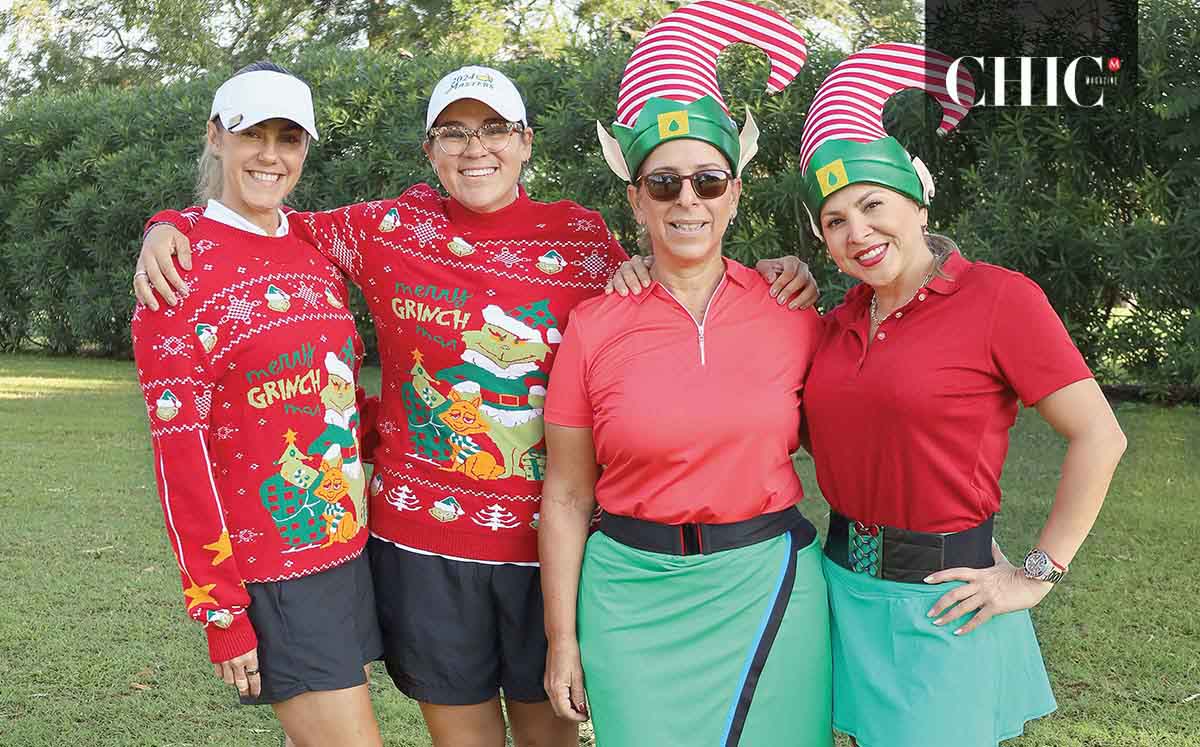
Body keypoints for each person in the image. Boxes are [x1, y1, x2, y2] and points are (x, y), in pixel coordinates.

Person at [132, 63, 820, 746]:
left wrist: (776, 273)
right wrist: (168, 224)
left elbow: (672, 283)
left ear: (525, 141)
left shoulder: (582, 243)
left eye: (494, 129)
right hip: (423, 551)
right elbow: (265, 219)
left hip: (548, 555)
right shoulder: (385, 228)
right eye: (453, 132)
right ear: (430, 151)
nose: (475, 147)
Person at [795, 44, 1127, 747]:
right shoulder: (836, 322)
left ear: (918, 201)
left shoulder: (999, 299)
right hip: (839, 589)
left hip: (944, 599)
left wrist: (1037, 573)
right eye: (834, 221)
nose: (857, 231)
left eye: (872, 204)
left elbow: (1102, 435)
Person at [539, 3, 832, 746]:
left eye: (708, 179)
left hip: (768, 585)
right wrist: (562, 637)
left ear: (735, 192)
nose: (687, 200)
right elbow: (569, 494)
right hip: (631, 598)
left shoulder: (792, 308)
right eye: (663, 184)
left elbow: (885, 413)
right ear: (635, 199)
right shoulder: (594, 324)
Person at [131, 62, 384, 747]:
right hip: (273, 569)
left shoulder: (311, 246)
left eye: (289, 138)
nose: (271, 154)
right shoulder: (175, 272)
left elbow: (339, 394)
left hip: (345, 549)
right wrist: (220, 609)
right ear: (215, 137)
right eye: (252, 134)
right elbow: (178, 458)